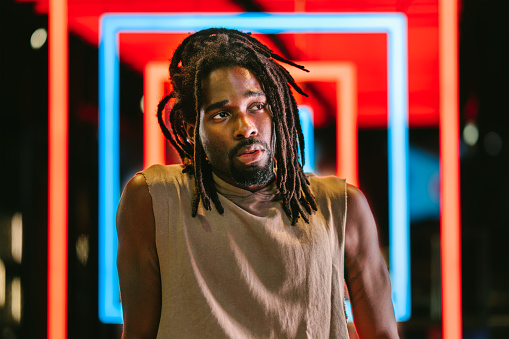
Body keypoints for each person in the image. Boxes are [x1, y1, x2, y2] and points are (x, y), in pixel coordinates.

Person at [116, 28, 398, 338]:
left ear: (276, 107)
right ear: (190, 126)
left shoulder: (339, 205)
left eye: (257, 106)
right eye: (222, 114)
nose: (246, 127)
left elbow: (383, 334)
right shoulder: (154, 199)